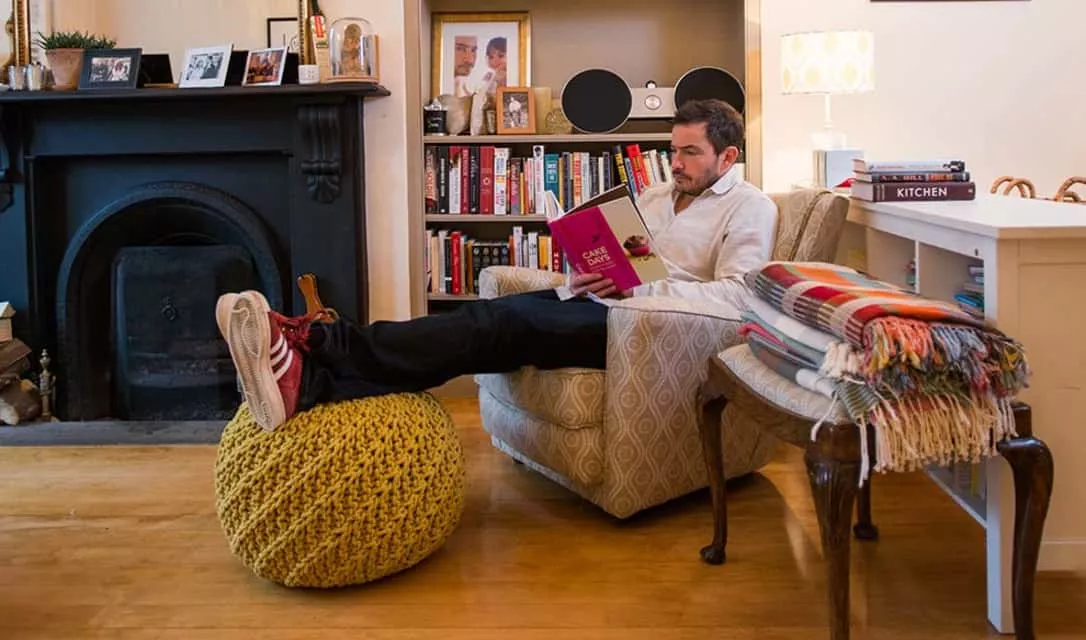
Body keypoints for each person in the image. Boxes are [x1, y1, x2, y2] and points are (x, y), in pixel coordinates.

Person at [216, 99, 778, 431]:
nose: (675, 163)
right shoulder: (656, 196)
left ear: (728, 156)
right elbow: (634, 259)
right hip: (602, 304)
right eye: (673, 149)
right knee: (488, 320)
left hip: (651, 330)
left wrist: (637, 293)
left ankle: (318, 344)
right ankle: (312, 382)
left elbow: (736, 298)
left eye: (689, 153)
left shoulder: (750, 208)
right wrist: (589, 270)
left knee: (500, 325)